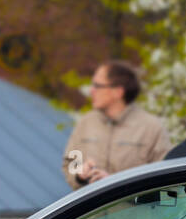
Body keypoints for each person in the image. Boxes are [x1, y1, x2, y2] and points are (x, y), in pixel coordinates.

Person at [60, 60, 171, 190]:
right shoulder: (86, 123)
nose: (91, 91)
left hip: (133, 210)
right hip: (93, 210)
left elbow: (165, 180)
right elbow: (70, 164)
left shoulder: (152, 128)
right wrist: (80, 175)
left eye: (97, 85)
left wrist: (116, 184)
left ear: (118, 92)